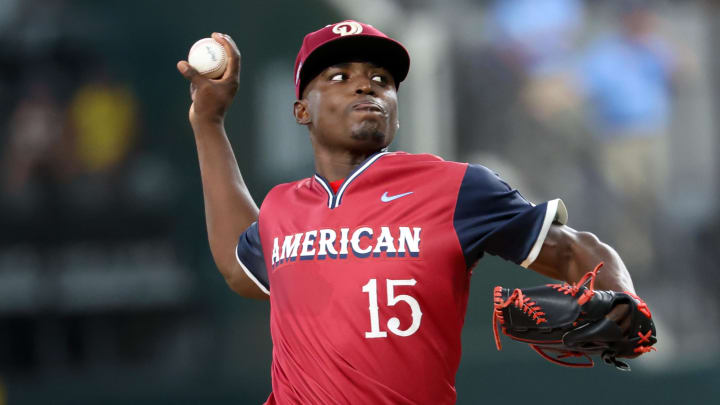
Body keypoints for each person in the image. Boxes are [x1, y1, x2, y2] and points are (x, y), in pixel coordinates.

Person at [177, 21, 642, 405]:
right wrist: (209, 122)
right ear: (302, 110)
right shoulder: (283, 205)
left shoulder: (457, 188)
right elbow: (240, 268)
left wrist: (623, 298)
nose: (366, 83)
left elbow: (577, 251)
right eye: (339, 76)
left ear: (396, 112)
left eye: (382, 79)